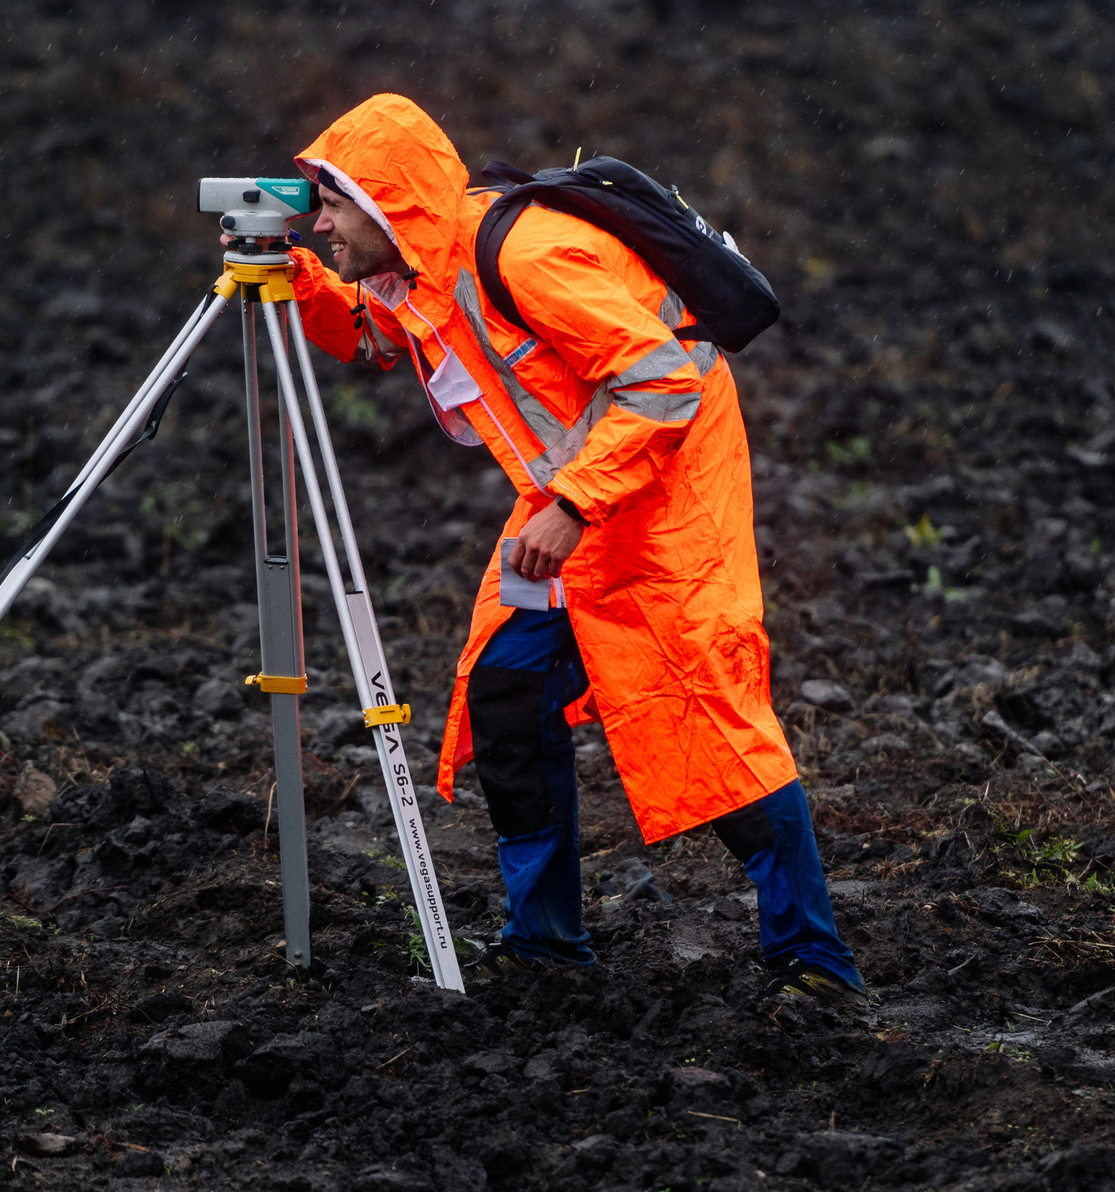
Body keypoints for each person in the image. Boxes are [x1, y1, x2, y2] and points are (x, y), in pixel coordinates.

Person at [276, 94, 864, 1004]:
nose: (320, 223)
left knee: (703, 712)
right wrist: (298, 278)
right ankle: (544, 943)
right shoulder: (425, 269)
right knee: (510, 691)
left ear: (389, 203)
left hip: (666, 491)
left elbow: (663, 379)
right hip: (574, 491)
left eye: (335, 205)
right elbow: (372, 334)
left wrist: (576, 506)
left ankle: (815, 962)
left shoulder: (523, 254)